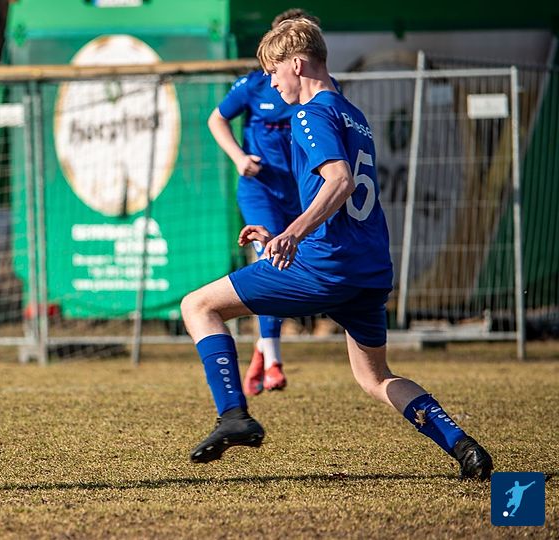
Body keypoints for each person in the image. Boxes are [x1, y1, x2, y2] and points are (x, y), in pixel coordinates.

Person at [179, 19, 494, 480]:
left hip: (324, 267)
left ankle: (233, 416)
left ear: (296, 64)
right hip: (368, 270)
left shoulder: (310, 114)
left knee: (198, 306)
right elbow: (337, 196)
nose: (271, 82)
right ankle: (464, 446)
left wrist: (293, 234)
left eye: (273, 71)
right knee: (375, 377)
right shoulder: (353, 114)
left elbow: (340, 181)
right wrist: (281, 232)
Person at [207, 8, 324, 396]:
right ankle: (273, 361)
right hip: (260, 191)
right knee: (270, 261)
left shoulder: (321, 93)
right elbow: (216, 119)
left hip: (300, 194)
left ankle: (262, 348)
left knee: (295, 267)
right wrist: (239, 158)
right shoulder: (255, 85)